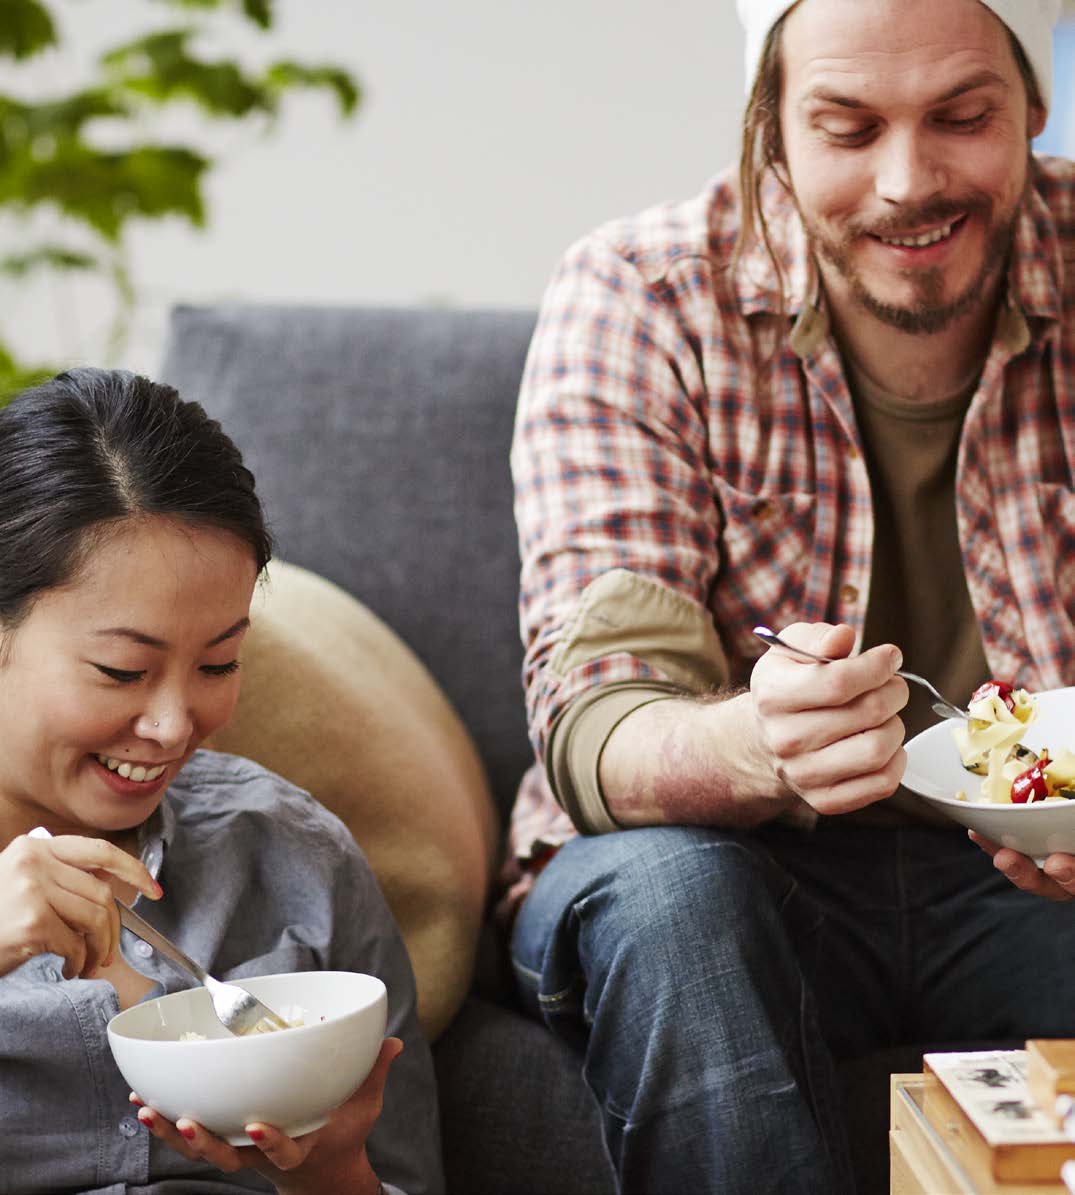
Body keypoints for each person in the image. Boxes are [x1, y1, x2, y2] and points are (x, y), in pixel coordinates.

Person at [506, 1, 1073, 1191]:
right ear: (770, 129)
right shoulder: (643, 295)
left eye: (962, 118)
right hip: (730, 867)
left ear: (1033, 106)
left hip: (1021, 882)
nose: (906, 181)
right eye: (846, 126)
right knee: (675, 903)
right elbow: (596, 713)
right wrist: (754, 744)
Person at [0, 367, 444, 1195]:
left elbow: (407, 1177)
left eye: (218, 662)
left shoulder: (292, 855)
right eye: (122, 669)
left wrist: (332, 1169)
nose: (175, 725)